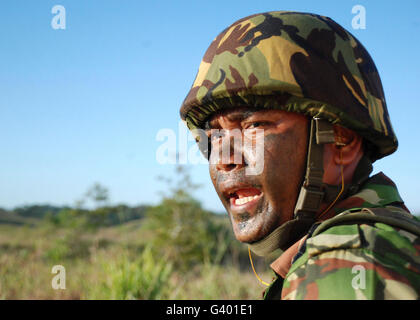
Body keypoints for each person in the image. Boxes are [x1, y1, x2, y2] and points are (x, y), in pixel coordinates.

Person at [179, 11, 420, 299]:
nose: (224, 158)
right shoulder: (385, 241)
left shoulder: (345, 263)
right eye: (216, 134)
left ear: (342, 142)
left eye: (254, 125)